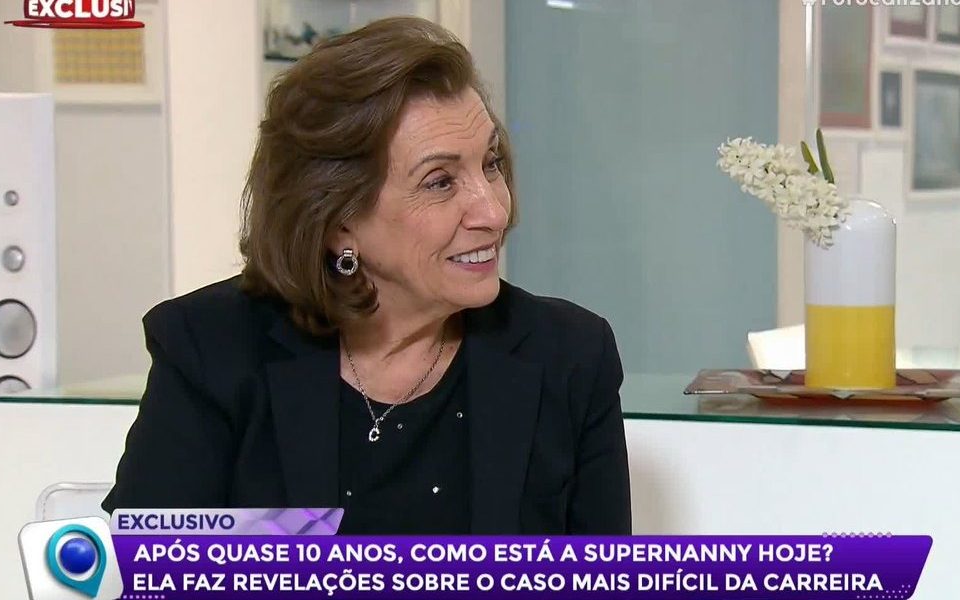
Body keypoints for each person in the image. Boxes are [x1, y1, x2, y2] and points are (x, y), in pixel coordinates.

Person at [102, 16, 631, 534]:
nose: (493, 210)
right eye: (440, 182)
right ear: (337, 220)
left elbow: (600, 577)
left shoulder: (570, 358)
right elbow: (155, 569)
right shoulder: (212, 350)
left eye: (490, 163)